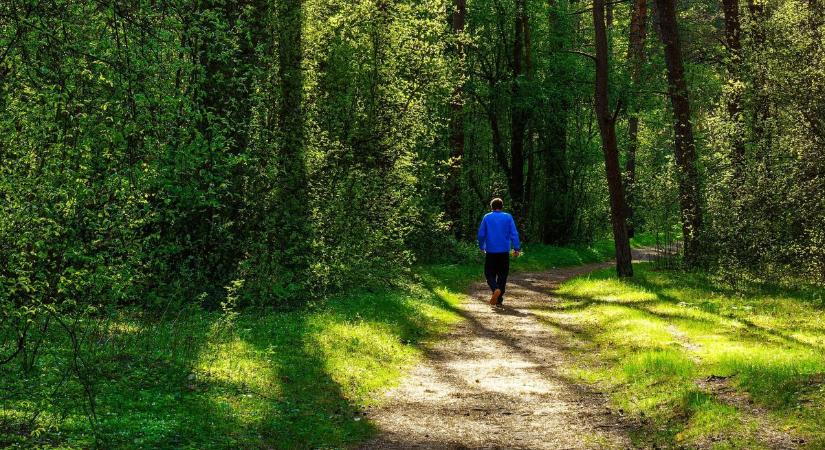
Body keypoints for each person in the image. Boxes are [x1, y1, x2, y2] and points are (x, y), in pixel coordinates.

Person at [477, 198, 521, 306]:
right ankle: (499, 299)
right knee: (502, 274)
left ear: (491, 207)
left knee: (489, 273)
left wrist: (482, 247)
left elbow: (481, 234)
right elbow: (514, 233)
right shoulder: (508, 217)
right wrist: (516, 248)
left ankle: (495, 289)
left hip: (491, 251)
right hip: (504, 251)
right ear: (502, 206)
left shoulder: (487, 217)